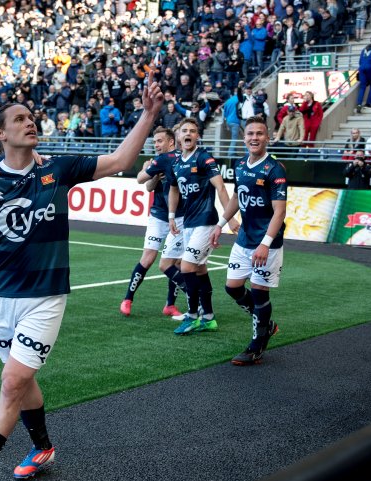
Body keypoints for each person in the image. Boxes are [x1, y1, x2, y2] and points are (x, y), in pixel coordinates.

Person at [0, 74, 165, 481]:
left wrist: (147, 115)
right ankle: (44, 446)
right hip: (2, 297)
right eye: (19, 119)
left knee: (11, 382)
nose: (30, 122)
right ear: (1, 134)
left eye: (32, 117)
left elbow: (121, 159)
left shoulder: (59, 168)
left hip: (47, 295)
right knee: (23, 381)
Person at [211, 115, 286, 365]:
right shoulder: (240, 164)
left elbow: (280, 211)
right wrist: (220, 224)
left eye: (260, 134)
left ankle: (256, 346)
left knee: (258, 292)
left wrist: (265, 243)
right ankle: (266, 324)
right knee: (232, 287)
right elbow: (236, 197)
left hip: (266, 243)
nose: (255, 138)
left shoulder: (275, 169)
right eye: (251, 134)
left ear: (267, 137)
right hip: (243, 239)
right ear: (244, 138)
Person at [167, 117, 238, 335]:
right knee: (199, 269)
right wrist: (171, 216)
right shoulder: (176, 163)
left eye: (192, 131)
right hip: (188, 223)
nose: (187, 133)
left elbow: (221, 187)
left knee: (186, 267)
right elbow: (173, 189)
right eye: (184, 130)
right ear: (178, 136)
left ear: (197, 136)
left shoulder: (204, 159)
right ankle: (208, 317)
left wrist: (229, 218)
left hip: (206, 221)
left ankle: (192, 315)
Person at [119, 126, 186, 320]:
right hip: (158, 215)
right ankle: (128, 299)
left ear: (171, 142)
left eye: (159, 141)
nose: (156, 145)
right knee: (148, 258)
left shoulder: (181, 158)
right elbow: (145, 184)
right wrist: (154, 174)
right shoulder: (157, 161)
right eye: (154, 141)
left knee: (175, 262)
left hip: (180, 216)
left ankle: (170, 305)